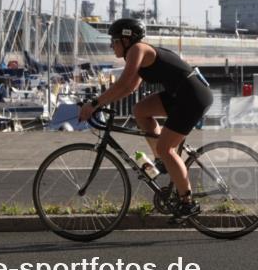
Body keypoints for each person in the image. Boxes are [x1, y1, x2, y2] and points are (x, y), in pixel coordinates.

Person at [78, 18, 213, 221]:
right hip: (180, 94)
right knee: (140, 110)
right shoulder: (137, 53)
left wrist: (95, 104)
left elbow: (123, 83)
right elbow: (130, 87)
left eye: (113, 40)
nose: (111, 45)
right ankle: (163, 162)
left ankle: (188, 203)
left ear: (126, 40)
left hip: (192, 97)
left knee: (166, 148)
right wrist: (103, 103)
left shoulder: (136, 50)